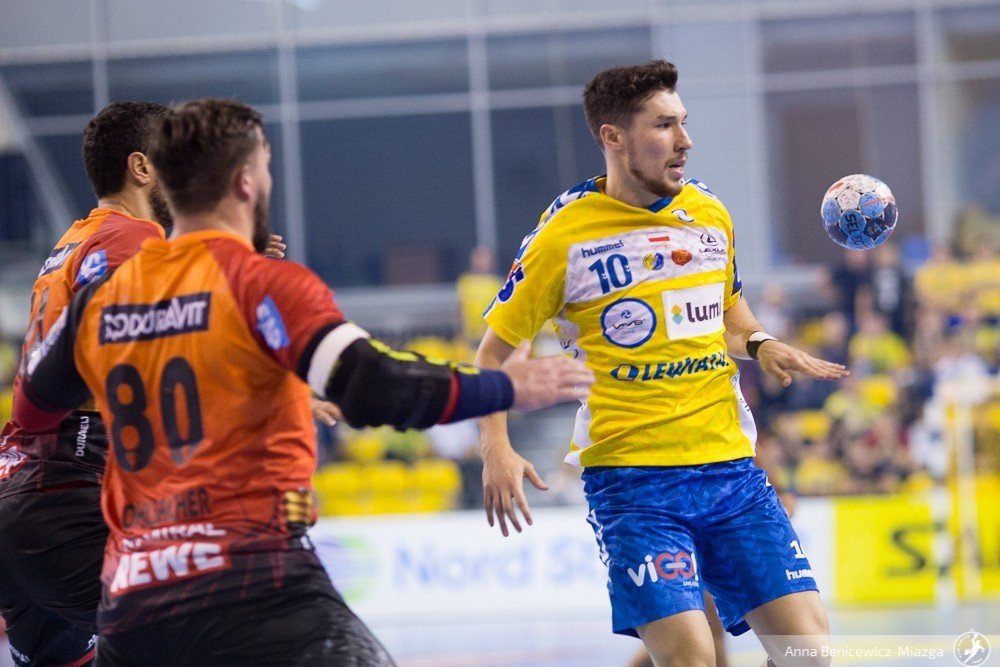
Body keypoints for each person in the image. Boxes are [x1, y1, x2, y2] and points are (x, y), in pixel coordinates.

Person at [14, 99, 594, 666]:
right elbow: (373, 386)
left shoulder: (102, 297)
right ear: (246, 181)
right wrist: (504, 387)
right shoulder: (261, 282)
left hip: (133, 595)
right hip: (251, 582)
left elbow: (34, 408)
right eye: (266, 165)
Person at [475, 61, 849, 666]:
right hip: (634, 484)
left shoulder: (709, 214)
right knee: (693, 657)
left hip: (731, 472)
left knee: (810, 653)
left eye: (683, 122)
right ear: (613, 137)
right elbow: (492, 353)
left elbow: (729, 316)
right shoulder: (563, 236)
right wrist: (495, 447)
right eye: (664, 125)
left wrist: (761, 344)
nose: (685, 140)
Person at [0, 101, 171, 667]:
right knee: (202, 631)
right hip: (68, 492)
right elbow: (131, 347)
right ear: (141, 168)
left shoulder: (77, 239)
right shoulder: (133, 239)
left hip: (21, 486)